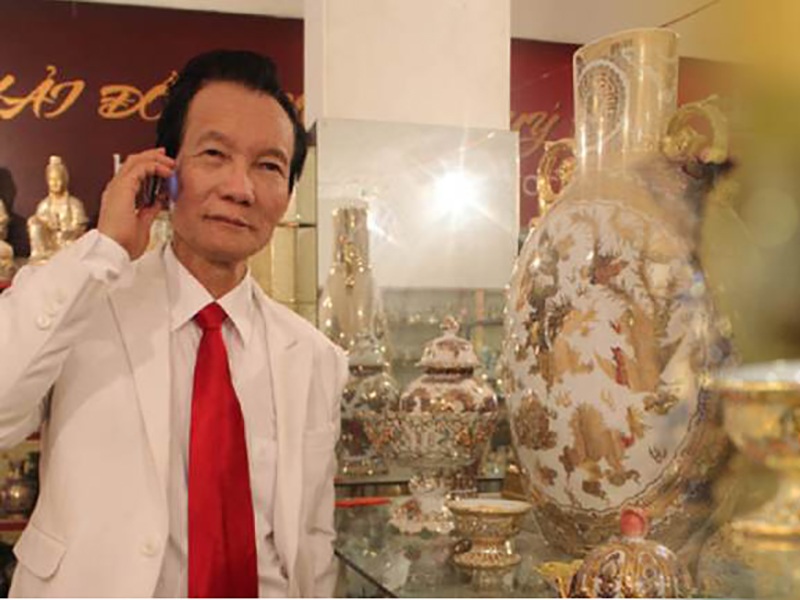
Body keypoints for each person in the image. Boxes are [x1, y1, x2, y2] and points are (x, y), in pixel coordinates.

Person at [0, 49, 347, 597]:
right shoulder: (87, 304)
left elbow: (311, 539)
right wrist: (104, 248)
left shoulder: (314, 356)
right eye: (214, 154)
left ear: (287, 194)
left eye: (269, 166)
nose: (240, 188)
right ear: (165, 170)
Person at [27, 155, 89, 264]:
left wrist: (68, 233)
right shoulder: (44, 205)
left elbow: (80, 228)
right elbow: (39, 226)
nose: (55, 183)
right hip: (48, 245)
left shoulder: (74, 204)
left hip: (67, 242)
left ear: (64, 181)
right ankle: (41, 256)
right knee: (33, 222)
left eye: (58, 179)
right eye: (52, 180)